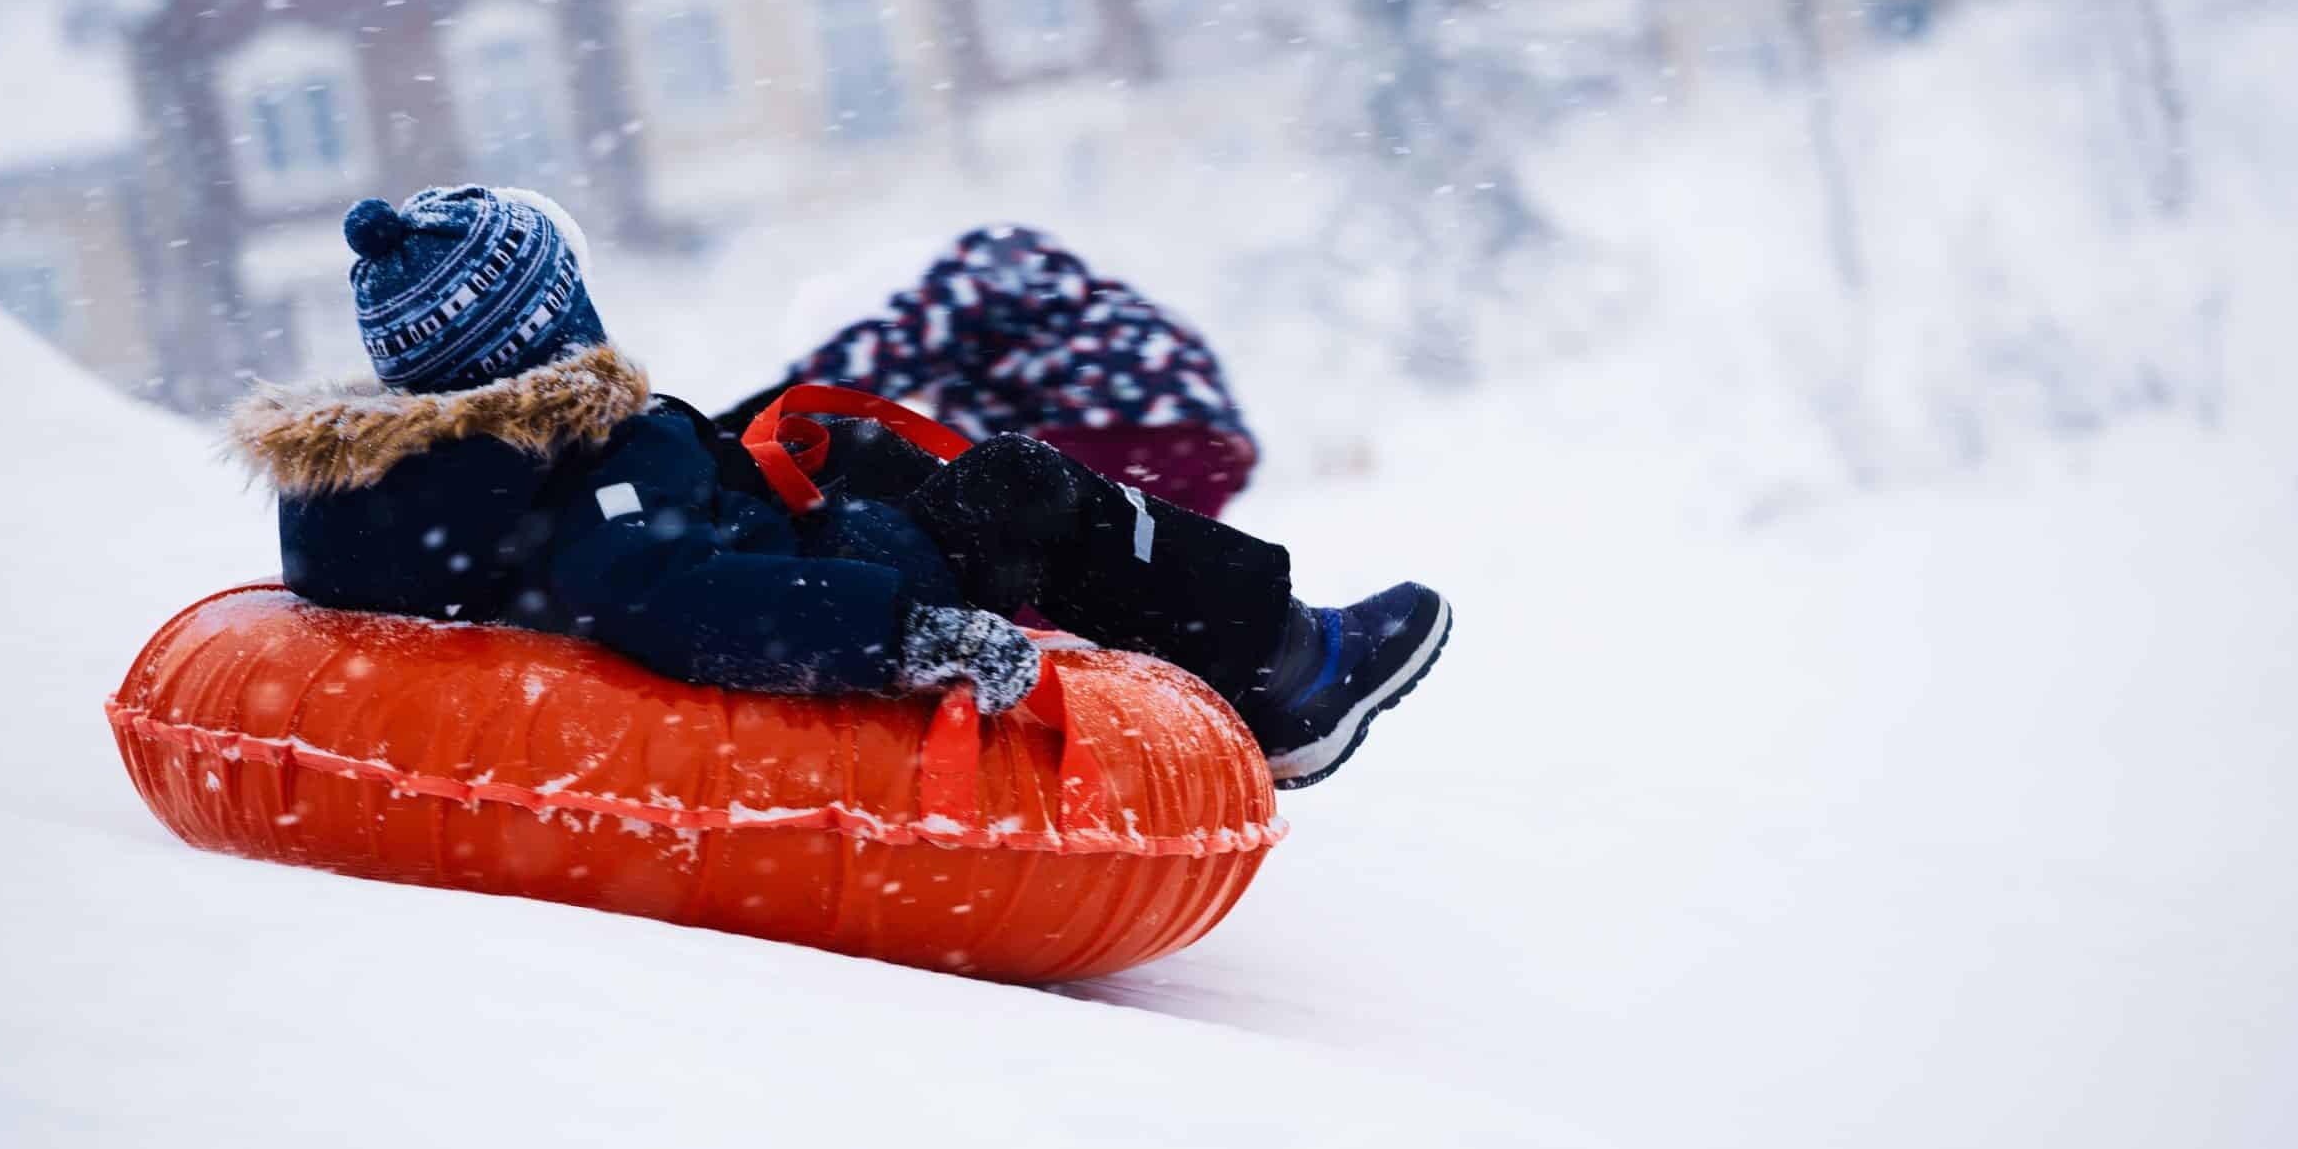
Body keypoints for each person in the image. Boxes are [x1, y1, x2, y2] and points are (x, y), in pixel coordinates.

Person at [229, 188, 1448, 790]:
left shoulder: (418, 484)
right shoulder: (590, 449)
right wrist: (902, 633)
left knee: (857, 449)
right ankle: (1291, 676)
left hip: (773, 531)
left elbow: (611, 545)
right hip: (834, 581)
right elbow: (659, 587)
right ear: (552, 320)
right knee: (1023, 488)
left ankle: (1217, 655)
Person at [727, 225, 1256, 518]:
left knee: (1043, 574)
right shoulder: (1036, 322)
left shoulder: (960, 285)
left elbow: (872, 358)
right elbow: (973, 461)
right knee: (1146, 586)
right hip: (1212, 446)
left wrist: (745, 427)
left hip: (1114, 422)